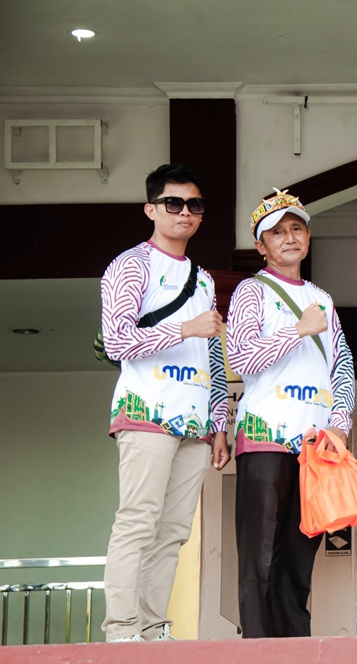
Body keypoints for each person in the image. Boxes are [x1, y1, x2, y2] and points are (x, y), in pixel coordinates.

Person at [99, 164, 229, 642]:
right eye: (173, 203)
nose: (184, 212)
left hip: (195, 422)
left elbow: (213, 357)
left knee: (173, 532)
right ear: (151, 209)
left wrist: (219, 422)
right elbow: (117, 341)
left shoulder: (204, 279)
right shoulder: (130, 265)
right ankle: (121, 628)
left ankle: (152, 628)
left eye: (195, 204)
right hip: (146, 411)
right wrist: (183, 328)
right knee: (138, 521)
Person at [226, 189, 355, 638]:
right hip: (265, 437)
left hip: (314, 446)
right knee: (259, 557)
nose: (289, 238)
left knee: (300, 561)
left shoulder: (323, 299)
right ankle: (257, 648)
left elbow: (342, 366)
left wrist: (340, 424)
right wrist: (298, 330)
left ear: (308, 236)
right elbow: (241, 358)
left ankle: (295, 648)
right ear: (261, 245)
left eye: (296, 228)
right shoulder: (252, 291)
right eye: (277, 232)